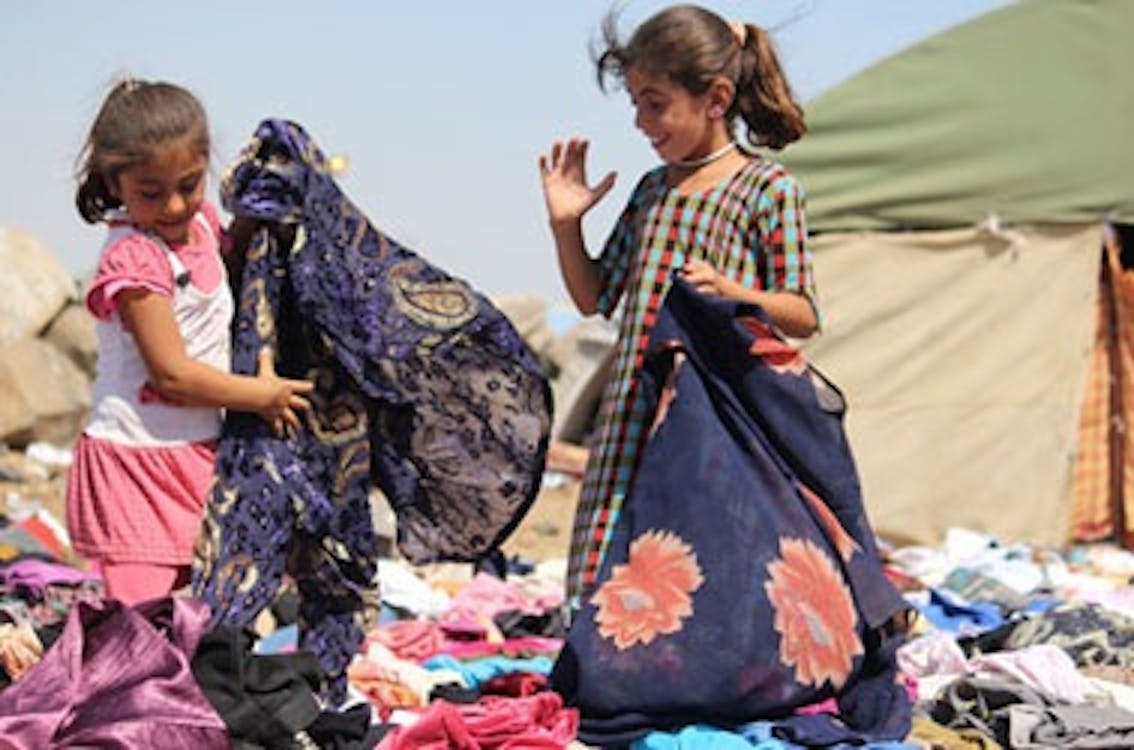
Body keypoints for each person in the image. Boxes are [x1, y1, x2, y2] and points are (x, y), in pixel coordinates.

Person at [539, 5, 817, 610]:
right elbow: (594, 297)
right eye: (636, 103)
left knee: (700, 569)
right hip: (631, 418)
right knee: (607, 574)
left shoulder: (768, 189)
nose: (641, 121)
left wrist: (738, 294)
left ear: (716, 98)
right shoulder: (651, 192)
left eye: (655, 103)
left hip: (714, 419)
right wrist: (567, 227)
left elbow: (802, 313)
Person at [66, 79, 314, 605]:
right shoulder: (133, 259)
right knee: (142, 628)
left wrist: (260, 206)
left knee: (191, 620)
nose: (175, 205)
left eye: (190, 183)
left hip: (195, 456)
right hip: (136, 462)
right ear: (115, 183)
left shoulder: (201, 226)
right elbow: (172, 375)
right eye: (150, 193)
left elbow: (227, 273)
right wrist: (263, 396)